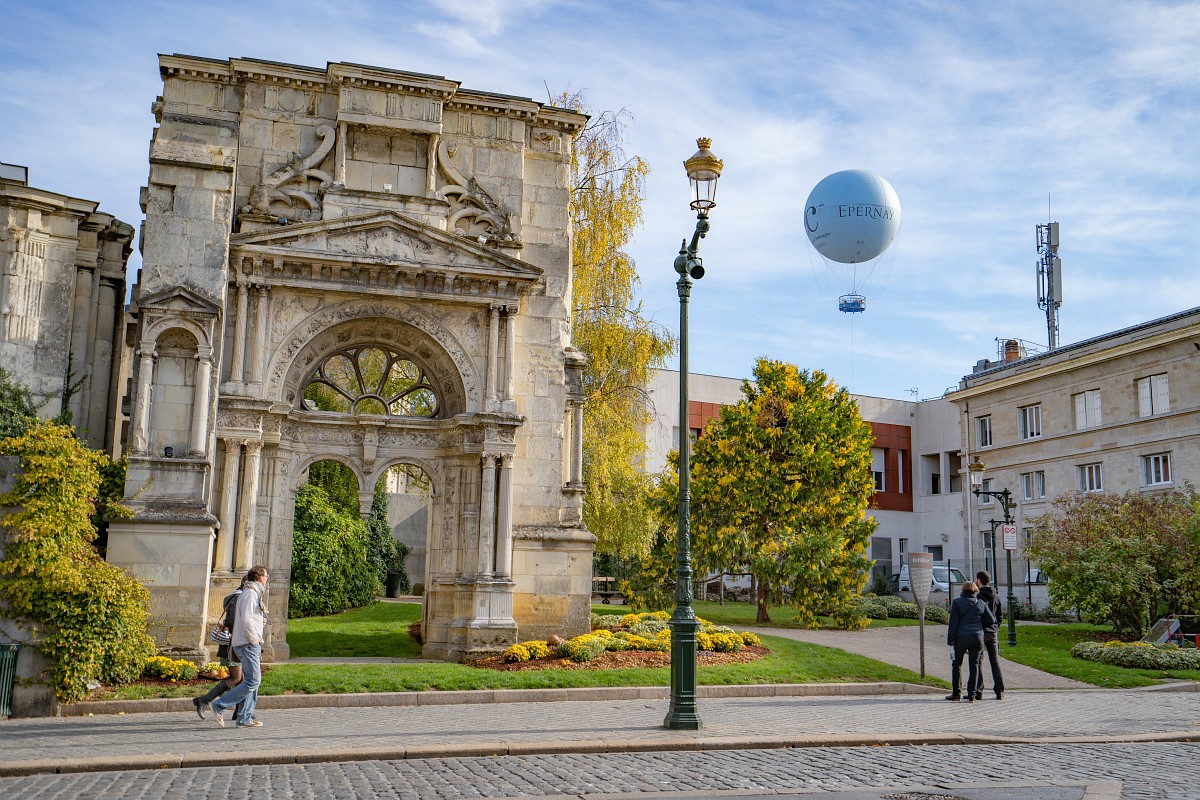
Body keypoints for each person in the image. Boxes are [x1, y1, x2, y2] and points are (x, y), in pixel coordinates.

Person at [202, 564, 269, 727]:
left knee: (253, 681)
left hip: (248, 642)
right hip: (247, 643)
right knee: (253, 681)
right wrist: (255, 639)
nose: (267, 579)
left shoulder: (252, 593)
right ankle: (219, 705)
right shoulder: (250, 594)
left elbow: (250, 617)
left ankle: (244, 717)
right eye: (266, 576)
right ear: (259, 577)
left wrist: (260, 623)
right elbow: (245, 619)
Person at [193, 575, 248, 720]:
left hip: (230, 645)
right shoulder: (238, 599)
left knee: (242, 679)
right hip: (233, 646)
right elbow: (236, 623)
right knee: (237, 678)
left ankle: (240, 711)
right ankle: (204, 700)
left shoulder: (233, 596)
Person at [945, 580, 996, 703]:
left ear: (963, 590)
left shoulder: (957, 602)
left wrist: (950, 640)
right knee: (974, 664)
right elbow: (991, 620)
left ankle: (956, 693)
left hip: (961, 636)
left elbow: (953, 623)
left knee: (957, 664)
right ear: (975, 590)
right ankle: (972, 694)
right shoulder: (981, 603)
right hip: (977, 637)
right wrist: (979, 627)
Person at [975, 570, 1005, 701]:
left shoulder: (978, 597)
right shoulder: (996, 596)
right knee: (995, 662)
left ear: (978, 580)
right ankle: (999, 691)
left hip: (981, 631)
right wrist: (995, 627)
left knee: (978, 661)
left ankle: (978, 690)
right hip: (993, 632)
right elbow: (1000, 616)